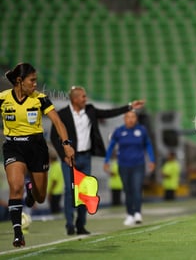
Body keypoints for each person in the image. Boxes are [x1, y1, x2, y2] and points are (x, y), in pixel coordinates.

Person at [50, 86, 144, 235]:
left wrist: (130, 107)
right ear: (74, 99)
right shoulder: (62, 115)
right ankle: (69, 224)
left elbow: (108, 113)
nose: (85, 99)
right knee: (70, 191)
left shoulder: (90, 110)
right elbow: (54, 137)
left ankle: (81, 225)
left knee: (84, 192)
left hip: (85, 157)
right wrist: (64, 155)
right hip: (70, 159)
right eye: (83, 96)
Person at [1, 63, 74, 247]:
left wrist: (66, 144)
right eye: (32, 80)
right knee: (15, 187)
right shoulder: (2, 98)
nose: (35, 84)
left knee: (41, 197)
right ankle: (18, 233)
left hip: (37, 148)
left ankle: (31, 189)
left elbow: (58, 122)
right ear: (19, 81)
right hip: (13, 146)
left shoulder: (40, 99)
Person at [103, 111, 155, 226]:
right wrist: (106, 160)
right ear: (124, 119)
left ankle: (137, 213)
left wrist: (151, 160)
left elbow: (148, 144)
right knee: (127, 190)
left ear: (136, 119)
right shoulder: (119, 131)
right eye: (128, 117)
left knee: (136, 188)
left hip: (138, 164)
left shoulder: (141, 130)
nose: (131, 119)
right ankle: (129, 214)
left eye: (133, 117)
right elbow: (111, 145)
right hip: (123, 165)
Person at [47, 150, 64, 214]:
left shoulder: (55, 166)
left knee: (54, 209)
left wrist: (50, 192)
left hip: (54, 192)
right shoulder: (58, 165)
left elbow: (54, 181)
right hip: (58, 191)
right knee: (56, 208)